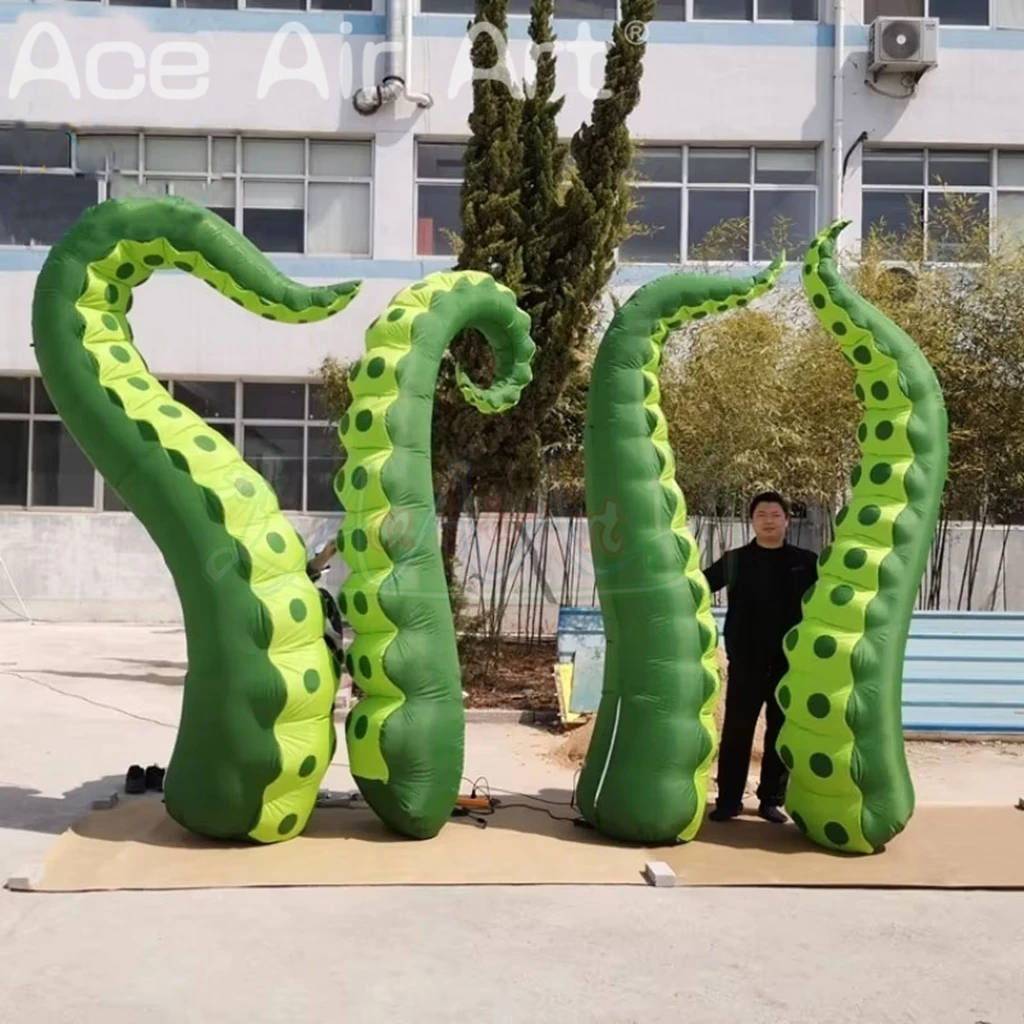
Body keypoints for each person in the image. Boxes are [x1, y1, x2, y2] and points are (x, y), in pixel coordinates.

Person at [702, 491, 818, 824]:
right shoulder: (735, 560)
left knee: (780, 732)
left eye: (775, 514)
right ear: (752, 521)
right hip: (746, 661)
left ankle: (771, 800)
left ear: (787, 520)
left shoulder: (807, 562)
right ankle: (728, 800)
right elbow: (700, 586)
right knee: (737, 730)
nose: (768, 520)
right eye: (761, 514)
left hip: (791, 663)